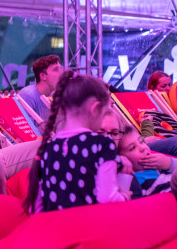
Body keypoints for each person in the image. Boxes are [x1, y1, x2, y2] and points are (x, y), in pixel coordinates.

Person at [24, 72, 129, 213]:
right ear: (95, 109)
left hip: (55, 225)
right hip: (88, 224)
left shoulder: (48, 148)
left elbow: (37, 208)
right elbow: (107, 198)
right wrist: (124, 196)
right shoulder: (102, 144)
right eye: (104, 112)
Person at [17, 55, 62, 124]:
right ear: (43, 76)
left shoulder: (55, 96)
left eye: (61, 69)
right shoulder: (28, 95)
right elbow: (26, 129)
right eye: (56, 69)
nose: (61, 73)